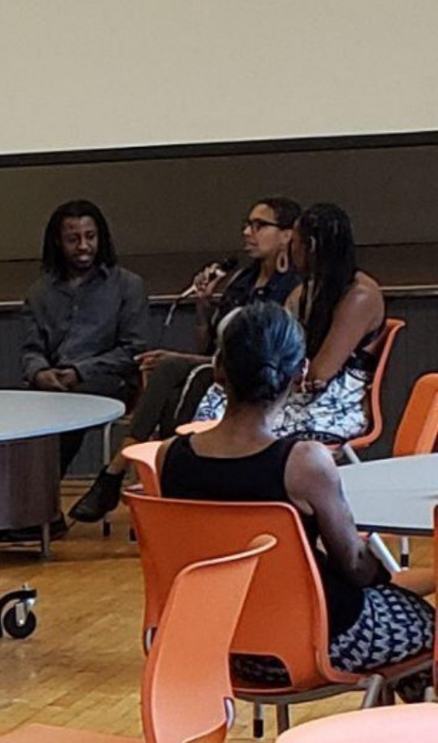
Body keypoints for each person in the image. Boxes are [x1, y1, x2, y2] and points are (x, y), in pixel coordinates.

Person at [160, 302, 431, 695]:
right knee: (424, 626)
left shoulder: (169, 456)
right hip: (317, 640)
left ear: (218, 370)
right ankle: (402, 731)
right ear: (301, 372)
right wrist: (382, 575)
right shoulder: (303, 463)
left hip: (221, 643)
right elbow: (354, 567)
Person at [71, 197, 303, 523]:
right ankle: (138, 478)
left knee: (175, 369)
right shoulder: (242, 280)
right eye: (247, 224)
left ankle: (121, 473)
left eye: (259, 225)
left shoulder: (292, 287)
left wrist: (185, 358)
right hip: (217, 366)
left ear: (287, 235)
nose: (247, 232)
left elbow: (256, 353)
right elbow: (209, 344)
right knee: (169, 379)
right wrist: (204, 304)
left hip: (250, 376)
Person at [191, 203, 388, 446]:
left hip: (332, 404)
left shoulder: (359, 295)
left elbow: (320, 375)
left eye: (294, 242)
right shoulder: (304, 291)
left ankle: (236, 465)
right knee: (219, 397)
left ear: (310, 246)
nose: (290, 249)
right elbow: (280, 349)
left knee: (243, 420)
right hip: (295, 393)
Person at [19, 200, 148, 490]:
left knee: (72, 405)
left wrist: (79, 371)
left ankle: (40, 498)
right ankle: (23, 502)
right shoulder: (40, 292)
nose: (83, 246)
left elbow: (133, 349)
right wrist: (39, 373)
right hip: (52, 383)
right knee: (13, 416)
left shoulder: (128, 285)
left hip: (109, 380)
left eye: (90, 237)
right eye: (73, 239)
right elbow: (31, 349)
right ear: (58, 242)